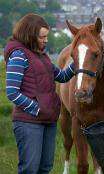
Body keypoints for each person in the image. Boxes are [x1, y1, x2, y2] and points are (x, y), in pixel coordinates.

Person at [4, 13, 75, 174]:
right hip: (28, 122)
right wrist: (37, 109)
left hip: (48, 121)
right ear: (30, 35)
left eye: (46, 36)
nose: (46, 40)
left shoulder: (42, 56)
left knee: (44, 168)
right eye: (42, 37)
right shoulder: (18, 55)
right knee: (30, 169)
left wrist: (80, 62)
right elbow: (12, 92)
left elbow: (62, 76)